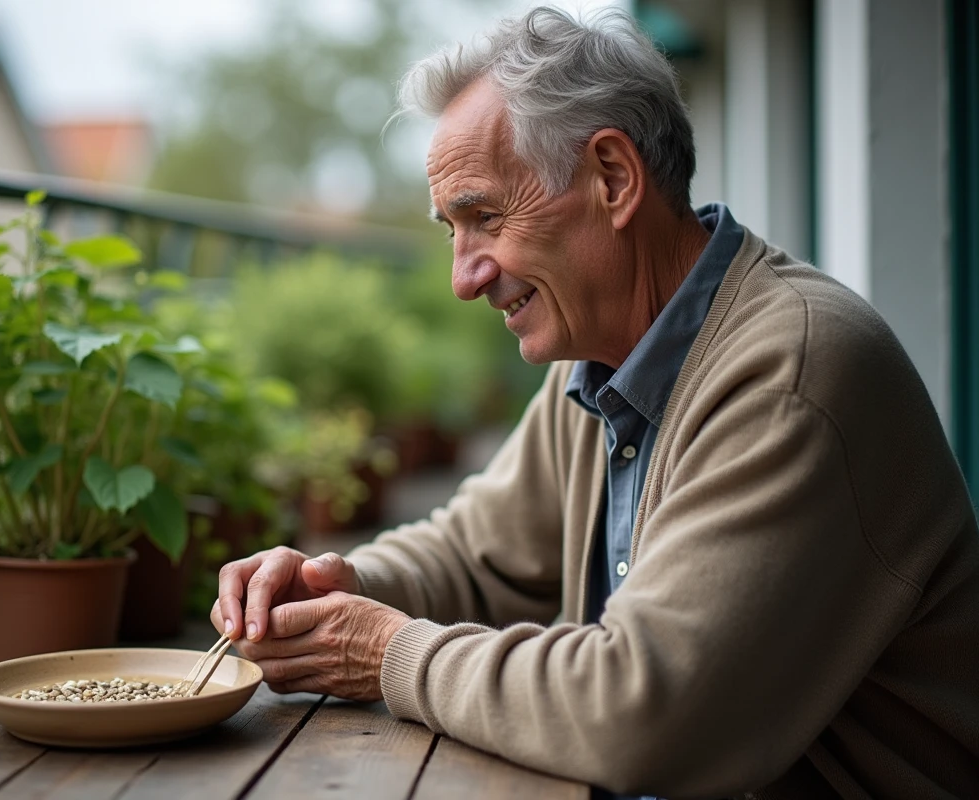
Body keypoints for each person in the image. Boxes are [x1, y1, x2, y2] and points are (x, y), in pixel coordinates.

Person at [211, 7, 979, 798]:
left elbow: (642, 714)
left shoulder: (793, 374)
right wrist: (339, 585)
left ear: (612, 178)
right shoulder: (601, 353)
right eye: (452, 230)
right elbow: (479, 553)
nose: (464, 277)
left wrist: (387, 652)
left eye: (485, 217)